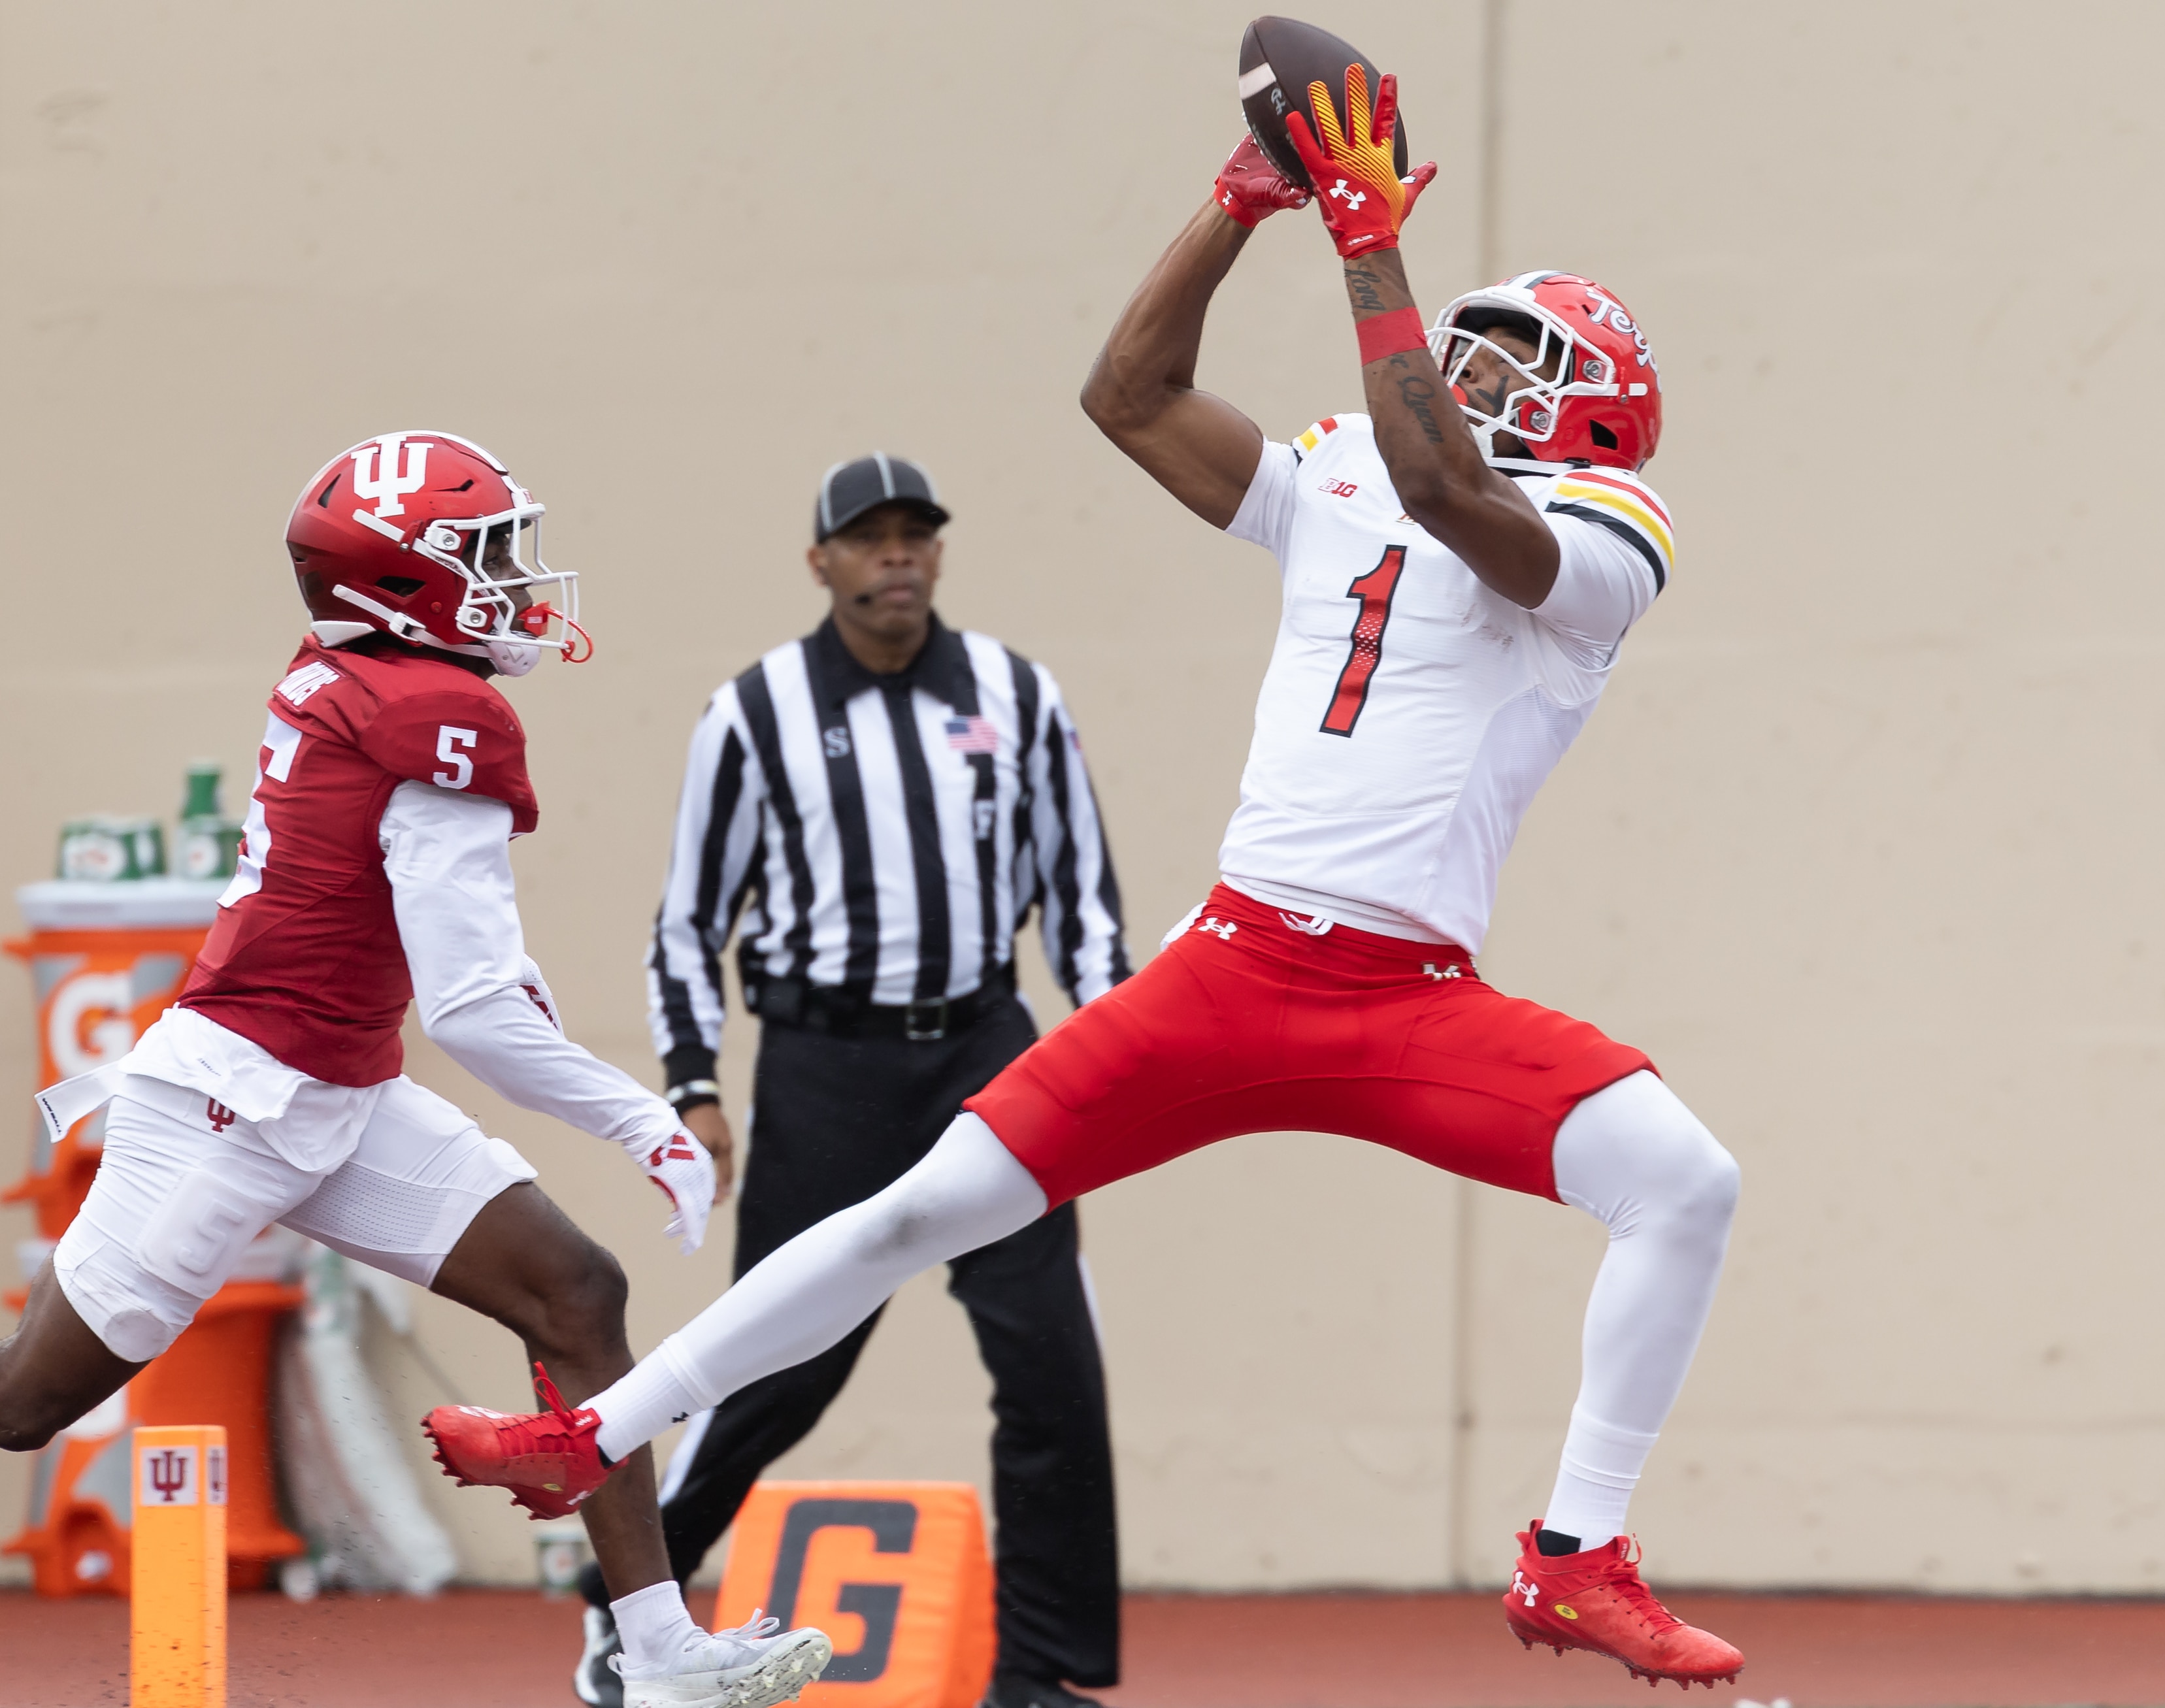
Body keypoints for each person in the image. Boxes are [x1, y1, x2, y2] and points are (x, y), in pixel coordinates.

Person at [423, 66, 1747, 1692]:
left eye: (1515, 356)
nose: (1471, 364)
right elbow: (1128, 395)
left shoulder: (1607, 529)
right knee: (915, 1211)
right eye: (1465, 340)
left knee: (1683, 1180)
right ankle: (587, 1436)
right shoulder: (1346, 461)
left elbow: (1449, 491)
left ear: (1594, 405)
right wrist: (1243, 203)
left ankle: (1575, 1552)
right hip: (1237, 960)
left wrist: (1364, 245)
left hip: (1406, 995)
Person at [0, 432, 832, 1708]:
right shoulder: (435, 713)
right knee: (25, 1402)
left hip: (333, 1088)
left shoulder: (359, 674)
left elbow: (437, 951)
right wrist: (641, 1115)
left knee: (574, 1289)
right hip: (230, 1105)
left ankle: (658, 1650)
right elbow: (477, 1013)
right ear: (401, 585)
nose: (518, 577)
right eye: (487, 553)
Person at [559, 455, 1127, 1708]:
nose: (898, 557)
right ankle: (629, 1612)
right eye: (868, 538)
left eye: (917, 534)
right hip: (824, 1065)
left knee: (1050, 1364)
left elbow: (1080, 901)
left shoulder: (1015, 695)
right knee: (778, 1366)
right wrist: (696, 1085)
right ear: (820, 561)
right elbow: (688, 922)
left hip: (989, 1055)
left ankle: (1048, 1676)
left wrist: (1115, 1053)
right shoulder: (753, 712)